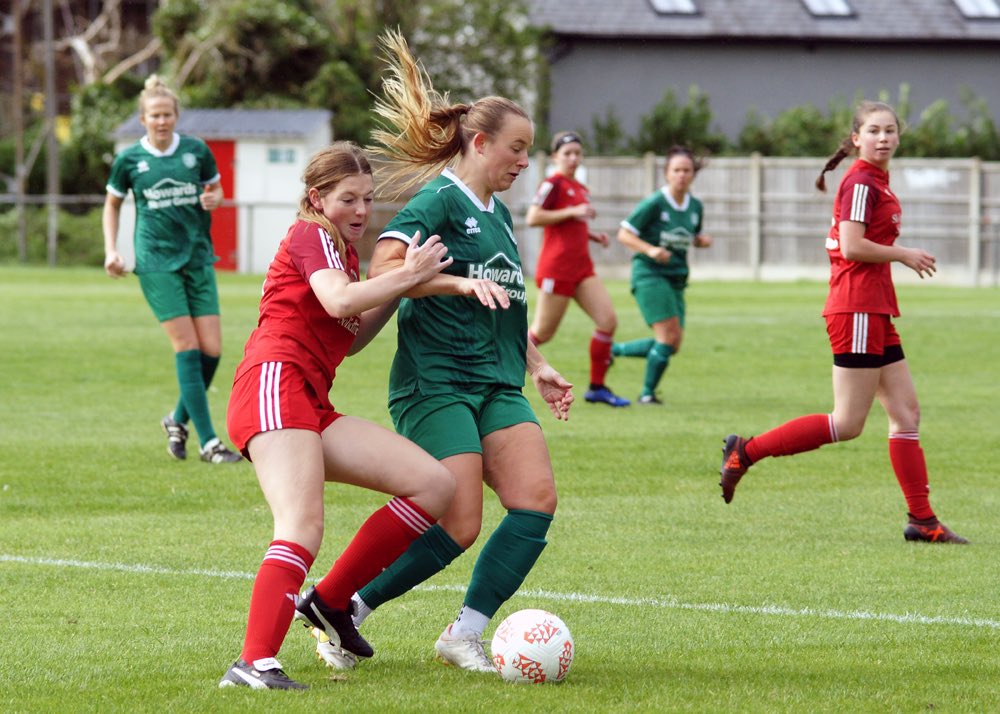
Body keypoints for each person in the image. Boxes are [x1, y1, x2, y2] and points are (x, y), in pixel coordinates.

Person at [307, 30, 574, 674]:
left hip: (497, 379)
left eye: (528, 152)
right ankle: (346, 609)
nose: (523, 163)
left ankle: (464, 633)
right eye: (516, 150)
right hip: (436, 381)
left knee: (536, 499)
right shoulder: (439, 200)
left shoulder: (500, 214)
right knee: (458, 522)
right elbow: (389, 265)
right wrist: (453, 280)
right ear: (479, 144)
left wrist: (539, 365)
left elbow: (503, 299)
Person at [218, 142, 460, 690]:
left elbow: (349, 339)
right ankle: (253, 663)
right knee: (302, 524)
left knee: (432, 485)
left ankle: (328, 603)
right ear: (316, 198)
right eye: (348, 198)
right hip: (274, 383)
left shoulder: (342, 252)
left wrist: (401, 287)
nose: (360, 210)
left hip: (309, 400)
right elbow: (337, 302)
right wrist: (405, 275)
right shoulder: (311, 236)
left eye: (368, 200)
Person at [718, 101, 968, 545]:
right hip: (855, 309)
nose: (884, 138)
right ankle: (746, 452)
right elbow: (852, 246)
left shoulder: (875, 181)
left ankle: (922, 520)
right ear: (857, 138)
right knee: (848, 422)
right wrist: (904, 253)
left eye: (891, 130)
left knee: (906, 413)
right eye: (874, 131)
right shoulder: (860, 181)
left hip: (873, 309)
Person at [103, 75, 241, 463]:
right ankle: (209, 443)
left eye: (167, 114)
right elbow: (111, 205)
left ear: (176, 116)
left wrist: (214, 198)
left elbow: (215, 191)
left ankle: (176, 419)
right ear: (143, 118)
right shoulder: (129, 160)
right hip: (156, 261)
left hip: (197, 256)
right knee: (188, 346)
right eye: (154, 115)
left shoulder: (197, 152)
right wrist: (111, 249)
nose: (161, 121)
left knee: (212, 350)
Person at [526, 131, 629, 407]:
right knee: (542, 333)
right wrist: (572, 213)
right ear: (554, 157)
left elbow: (571, 227)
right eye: (567, 153)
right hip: (556, 269)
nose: (572, 158)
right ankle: (496, 367)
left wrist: (592, 235)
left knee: (608, 321)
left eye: (577, 153)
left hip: (582, 269)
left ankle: (597, 388)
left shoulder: (580, 188)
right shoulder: (553, 184)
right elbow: (533, 217)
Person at [612, 145, 713, 404]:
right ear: (666, 173)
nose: (682, 175)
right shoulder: (655, 203)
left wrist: (700, 241)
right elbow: (624, 234)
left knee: (672, 344)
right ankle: (647, 394)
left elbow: (692, 235)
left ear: (693, 174)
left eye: (686, 170)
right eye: (676, 170)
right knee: (667, 338)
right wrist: (651, 250)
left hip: (676, 279)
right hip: (649, 275)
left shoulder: (695, 206)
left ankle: (612, 351)